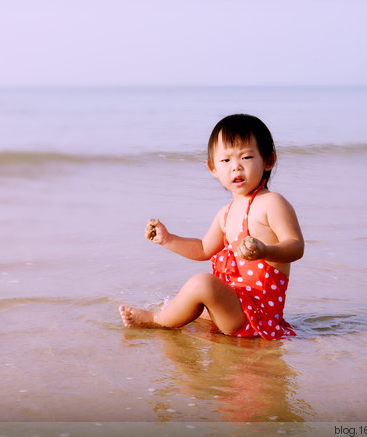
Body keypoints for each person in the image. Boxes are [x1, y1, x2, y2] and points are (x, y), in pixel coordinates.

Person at [120, 114, 304, 339]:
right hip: (234, 306)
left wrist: (265, 251)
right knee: (188, 302)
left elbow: (296, 246)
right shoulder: (225, 214)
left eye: (246, 157)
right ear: (213, 168)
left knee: (202, 283)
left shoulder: (271, 202)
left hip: (257, 316)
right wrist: (168, 239)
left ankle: (156, 320)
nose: (236, 167)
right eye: (225, 161)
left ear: (268, 160)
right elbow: (203, 249)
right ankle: (172, 314)